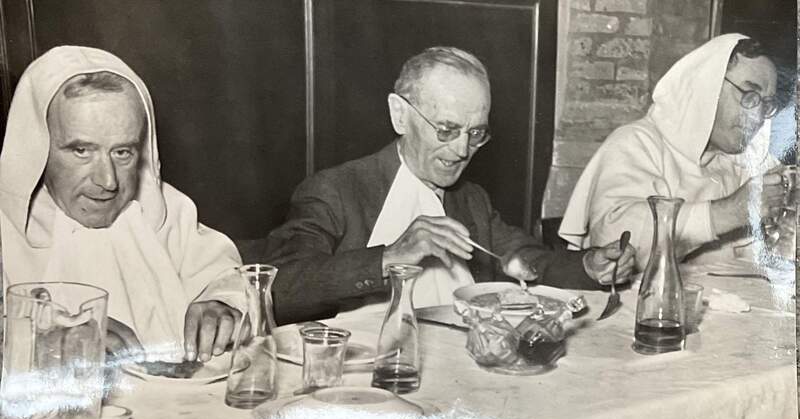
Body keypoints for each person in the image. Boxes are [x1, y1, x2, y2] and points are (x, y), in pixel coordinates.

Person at [265, 46, 635, 322]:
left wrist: (588, 265)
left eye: (476, 133)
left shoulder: (470, 198)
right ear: (400, 115)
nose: (462, 151)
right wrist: (390, 257)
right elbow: (280, 288)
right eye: (446, 129)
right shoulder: (335, 190)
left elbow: (523, 259)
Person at [0, 46, 246, 363]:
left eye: (123, 152)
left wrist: (222, 305)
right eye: (81, 151)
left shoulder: (165, 210)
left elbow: (229, 278)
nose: (108, 181)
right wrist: (41, 345)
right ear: (39, 147)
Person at [559, 34, 795, 270]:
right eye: (749, 95)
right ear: (707, 86)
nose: (757, 116)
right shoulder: (636, 143)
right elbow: (615, 244)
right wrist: (729, 212)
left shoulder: (748, 160)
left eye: (766, 103)